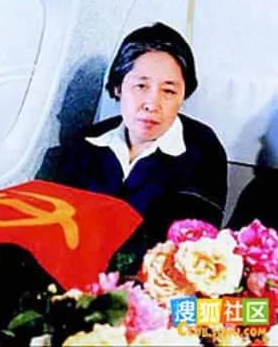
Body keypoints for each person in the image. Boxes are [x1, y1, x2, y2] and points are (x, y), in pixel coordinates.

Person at [42, 22, 228, 272]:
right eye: (141, 86)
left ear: (183, 95)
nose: (152, 104)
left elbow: (190, 245)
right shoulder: (85, 143)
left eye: (169, 91)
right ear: (118, 87)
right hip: (72, 271)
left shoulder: (202, 150)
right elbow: (51, 222)